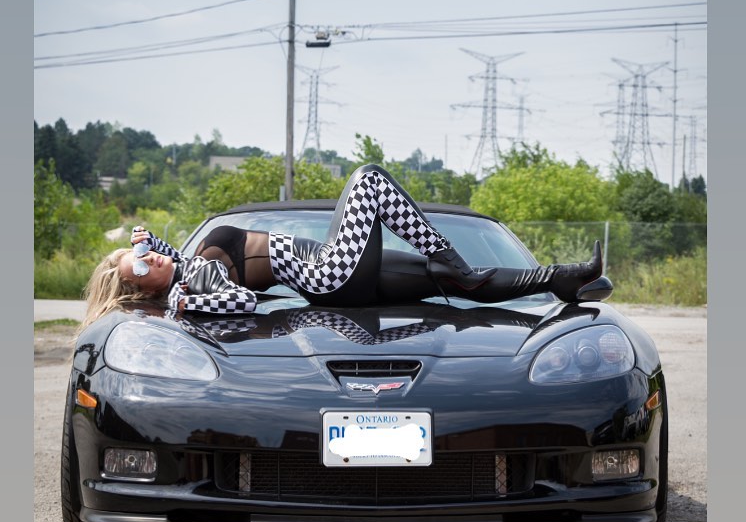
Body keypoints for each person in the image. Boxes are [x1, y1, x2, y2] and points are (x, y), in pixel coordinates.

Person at [80, 164, 602, 328]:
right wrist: (182, 303)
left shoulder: (183, 263)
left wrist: (146, 242)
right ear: (142, 289)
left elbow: (170, 257)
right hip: (329, 275)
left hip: (337, 270)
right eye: (139, 266)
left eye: (142, 253)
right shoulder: (190, 287)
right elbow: (240, 301)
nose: (149, 258)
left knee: (452, 282)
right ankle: (451, 256)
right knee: (368, 180)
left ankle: (564, 279)